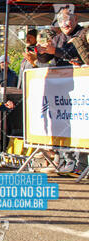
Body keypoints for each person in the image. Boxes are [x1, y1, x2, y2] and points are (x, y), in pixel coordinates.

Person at [36, 9, 88, 174]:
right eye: (61, 19)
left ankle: (82, 164)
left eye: (68, 18)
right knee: (63, 125)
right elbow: (45, 58)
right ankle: (68, 160)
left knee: (82, 126)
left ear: (76, 18)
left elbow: (78, 55)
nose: (65, 23)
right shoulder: (57, 38)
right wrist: (41, 51)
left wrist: (55, 51)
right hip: (61, 93)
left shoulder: (83, 33)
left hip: (81, 91)